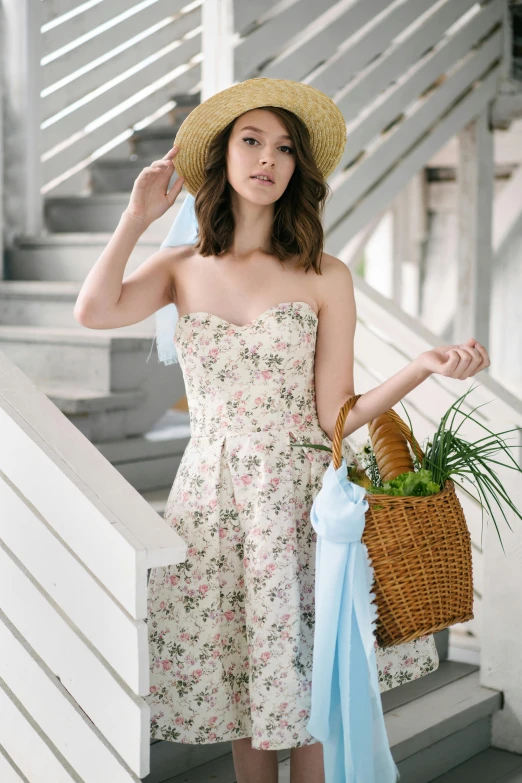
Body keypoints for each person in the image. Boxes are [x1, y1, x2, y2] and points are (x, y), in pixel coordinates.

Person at [74, 77, 491, 783]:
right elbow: (94, 311)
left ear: (297, 168)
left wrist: (418, 368)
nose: (269, 158)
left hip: (302, 500)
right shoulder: (178, 266)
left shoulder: (325, 274)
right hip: (215, 500)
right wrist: (137, 216)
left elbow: (336, 416)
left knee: (312, 691)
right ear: (223, 158)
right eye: (251, 140)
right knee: (247, 694)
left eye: (286, 148)